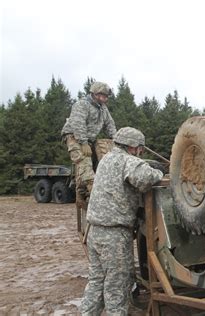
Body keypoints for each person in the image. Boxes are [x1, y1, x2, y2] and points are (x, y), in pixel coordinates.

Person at [80, 127, 163, 315]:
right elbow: (146, 178)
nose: (140, 152)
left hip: (95, 231)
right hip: (114, 235)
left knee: (96, 282)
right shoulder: (128, 161)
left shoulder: (106, 159)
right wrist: (157, 171)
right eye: (140, 148)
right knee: (116, 287)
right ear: (133, 147)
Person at [61, 81, 117, 198]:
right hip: (74, 137)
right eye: (101, 95)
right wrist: (83, 142)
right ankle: (99, 200)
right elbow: (78, 123)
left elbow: (110, 125)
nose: (104, 98)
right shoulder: (82, 104)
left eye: (106, 96)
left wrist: (117, 140)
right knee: (86, 167)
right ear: (94, 94)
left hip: (89, 140)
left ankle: (82, 196)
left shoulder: (103, 109)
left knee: (98, 167)